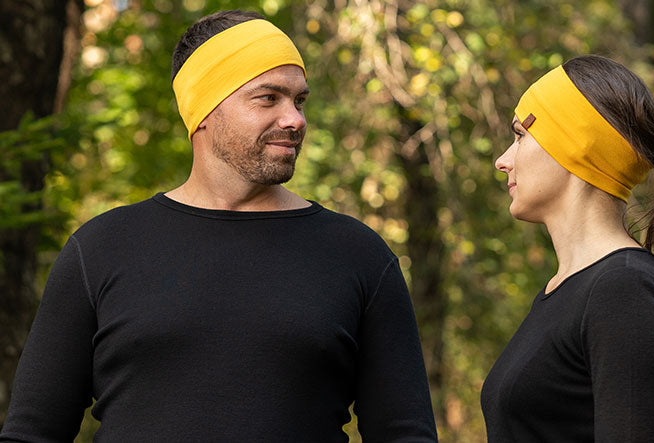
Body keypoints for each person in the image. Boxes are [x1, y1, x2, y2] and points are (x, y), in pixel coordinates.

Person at [0, 10, 437, 441]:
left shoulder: (358, 255)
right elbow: (33, 432)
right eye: (269, 98)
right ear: (204, 108)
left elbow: (405, 434)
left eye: (299, 100)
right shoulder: (100, 249)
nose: (295, 119)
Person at [481, 55, 654, 442]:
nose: (502, 160)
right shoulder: (571, 289)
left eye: (520, 134)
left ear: (577, 144)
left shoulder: (623, 290)